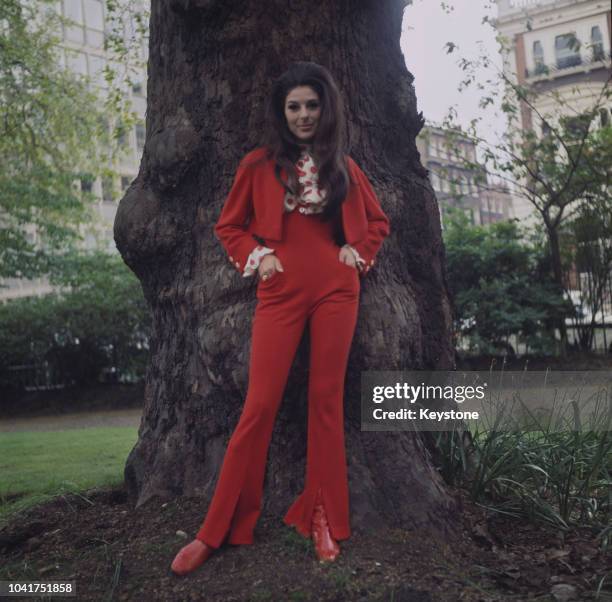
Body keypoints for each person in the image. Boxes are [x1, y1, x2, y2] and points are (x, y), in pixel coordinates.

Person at [171, 61, 390, 576]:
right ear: (281, 111)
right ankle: (216, 529)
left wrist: (355, 254)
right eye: (294, 106)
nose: (304, 115)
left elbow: (377, 222)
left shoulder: (344, 167)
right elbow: (229, 226)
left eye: (312, 105)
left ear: (325, 108)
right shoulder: (256, 165)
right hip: (279, 289)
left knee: (326, 403)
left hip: (337, 291)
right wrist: (259, 254)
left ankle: (324, 518)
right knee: (259, 405)